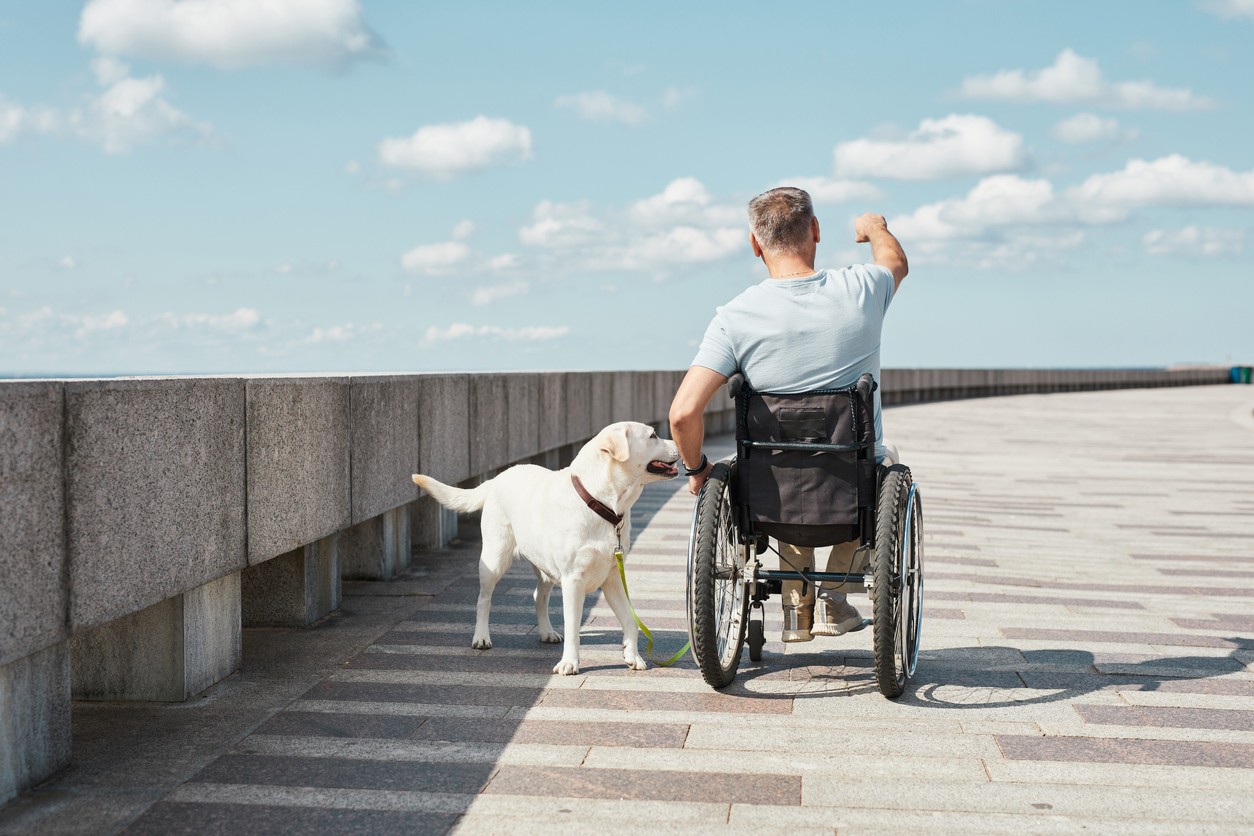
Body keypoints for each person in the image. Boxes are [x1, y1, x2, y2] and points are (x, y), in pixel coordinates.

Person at [668, 186, 908, 642]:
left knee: (783, 466)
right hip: (849, 490)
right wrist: (875, 228)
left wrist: (697, 470)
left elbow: (682, 414)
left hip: (773, 496)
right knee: (880, 459)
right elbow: (895, 262)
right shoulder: (862, 289)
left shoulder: (734, 317)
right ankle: (835, 601)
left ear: (755, 244)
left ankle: (797, 611)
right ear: (815, 231)